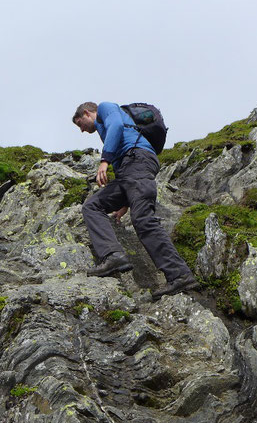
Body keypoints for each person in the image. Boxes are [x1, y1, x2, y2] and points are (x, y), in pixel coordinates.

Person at [72, 101, 198, 299]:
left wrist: (104, 161)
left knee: (143, 219)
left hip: (137, 160)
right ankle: (113, 256)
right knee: (92, 206)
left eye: (80, 123)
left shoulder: (106, 108)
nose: (81, 130)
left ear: (87, 113)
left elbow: (117, 126)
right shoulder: (102, 130)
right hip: (128, 172)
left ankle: (179, 275)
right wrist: (124, 203)